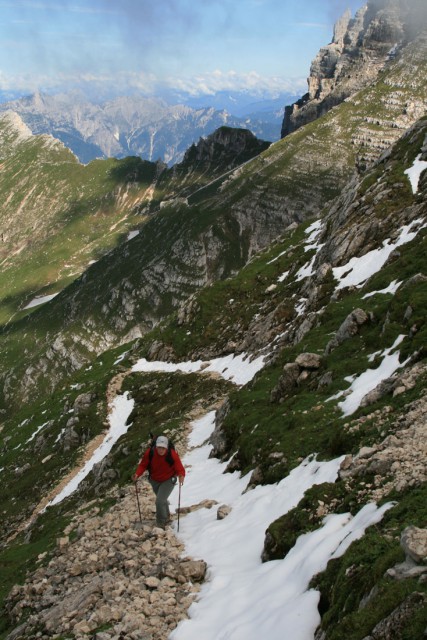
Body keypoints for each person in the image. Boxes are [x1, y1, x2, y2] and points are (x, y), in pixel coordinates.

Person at [132, 435, 185, 529]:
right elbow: (143, 465)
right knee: (162, 500)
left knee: (159, 501)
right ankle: (167, 516)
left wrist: (181, 475)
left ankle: (161, 523)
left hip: (168, 480)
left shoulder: (172, 454)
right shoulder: (150, 452)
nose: (161, 450)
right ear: (156, 446)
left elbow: (179, 467)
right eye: (159, 447)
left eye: (163, 448)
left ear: (166, 447)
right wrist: (137, 474)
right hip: (154, 480)